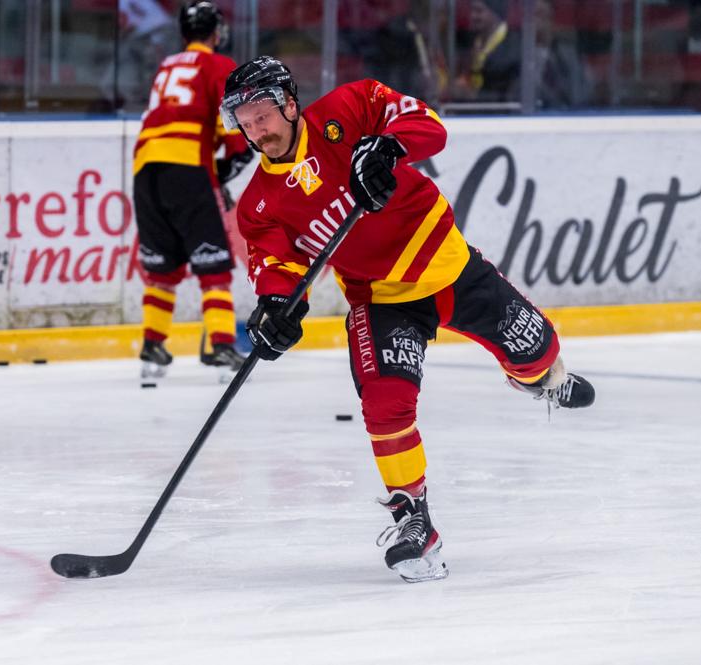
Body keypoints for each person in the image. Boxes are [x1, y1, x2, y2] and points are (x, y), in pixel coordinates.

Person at [219, 56, 595, 583]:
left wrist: (391, 144)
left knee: (538, 352)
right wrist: (276, 308)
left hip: (448, 265)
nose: (256, 128)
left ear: (288, 101)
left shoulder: (348, 108)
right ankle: (412, 516)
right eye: (245, 120)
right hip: (381, 298)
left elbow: (428, 125)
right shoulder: (258, 203)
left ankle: (539, 380)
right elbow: (279, 266)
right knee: (384, 401)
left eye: (262, 112)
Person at [132, 0, 254, 378]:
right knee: (213, 264)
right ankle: (220, 346)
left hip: (144, 169)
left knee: (163, 266)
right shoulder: (219, 65)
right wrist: (229, 162)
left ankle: (153, 347)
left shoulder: (167, 65)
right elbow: (232, 126)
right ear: (216, 32)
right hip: (187, 167)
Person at [451, 0, 521, 104]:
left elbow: (501, 91)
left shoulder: (512, 45)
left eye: (479, 11)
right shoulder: (474, 41)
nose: (473, 16)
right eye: (472, 11)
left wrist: (473, 95)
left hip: (500, 115)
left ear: (495, 13)